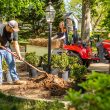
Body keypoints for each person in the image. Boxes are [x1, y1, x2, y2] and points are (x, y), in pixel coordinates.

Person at [0, 20, 26, 85]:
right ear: (8, 26)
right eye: (13, 29)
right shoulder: (0, 27)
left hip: (7, 48)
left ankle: (15, 79)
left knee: (12, 63)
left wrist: (19, 55)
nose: (14, 31)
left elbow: (16, 44)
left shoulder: (14, 31)